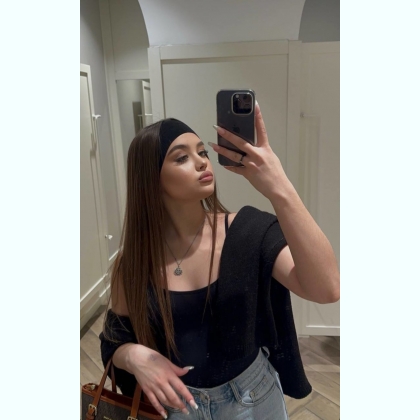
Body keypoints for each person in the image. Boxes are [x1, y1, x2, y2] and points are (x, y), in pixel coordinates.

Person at [99, 102, 340, 420]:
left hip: (253, 402)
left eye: (202, 152)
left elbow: (327, 289)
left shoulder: (248, 232)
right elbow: (114, 339)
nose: (202, 161)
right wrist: (133, 355)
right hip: (175, 407)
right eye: (182, 157)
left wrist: (279, 187)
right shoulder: (134, 264)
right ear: (150, 178)